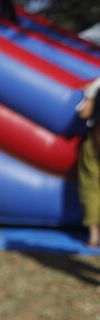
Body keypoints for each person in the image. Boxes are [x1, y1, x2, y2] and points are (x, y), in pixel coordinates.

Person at [77, 77, 100, 247]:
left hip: (95, 141)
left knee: (90, 185)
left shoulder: (97, 84)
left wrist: (88, 95)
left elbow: (84, 113)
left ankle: (94, 235)